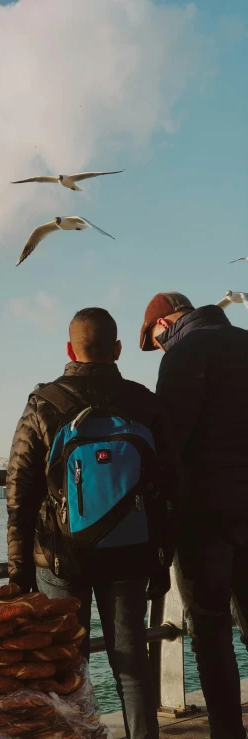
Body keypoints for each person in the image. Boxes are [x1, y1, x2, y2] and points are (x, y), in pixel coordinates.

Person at [7, 307, 177, 739]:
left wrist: (18, 572)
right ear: (118, 349)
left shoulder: (45, 402)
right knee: (132, 666)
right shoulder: (143, 401)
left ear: (70, 349)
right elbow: (168, 486)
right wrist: (161, 560)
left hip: (62, 558)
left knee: (68, 668)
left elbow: (19, 493)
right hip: (131, 552)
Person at [140, 291, 248, 739]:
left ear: (163, 326)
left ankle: (227, 732)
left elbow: (171, 444)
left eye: (156, 342)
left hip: (206, 516)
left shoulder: (184, 354)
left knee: (210, 628)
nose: (160, 351)